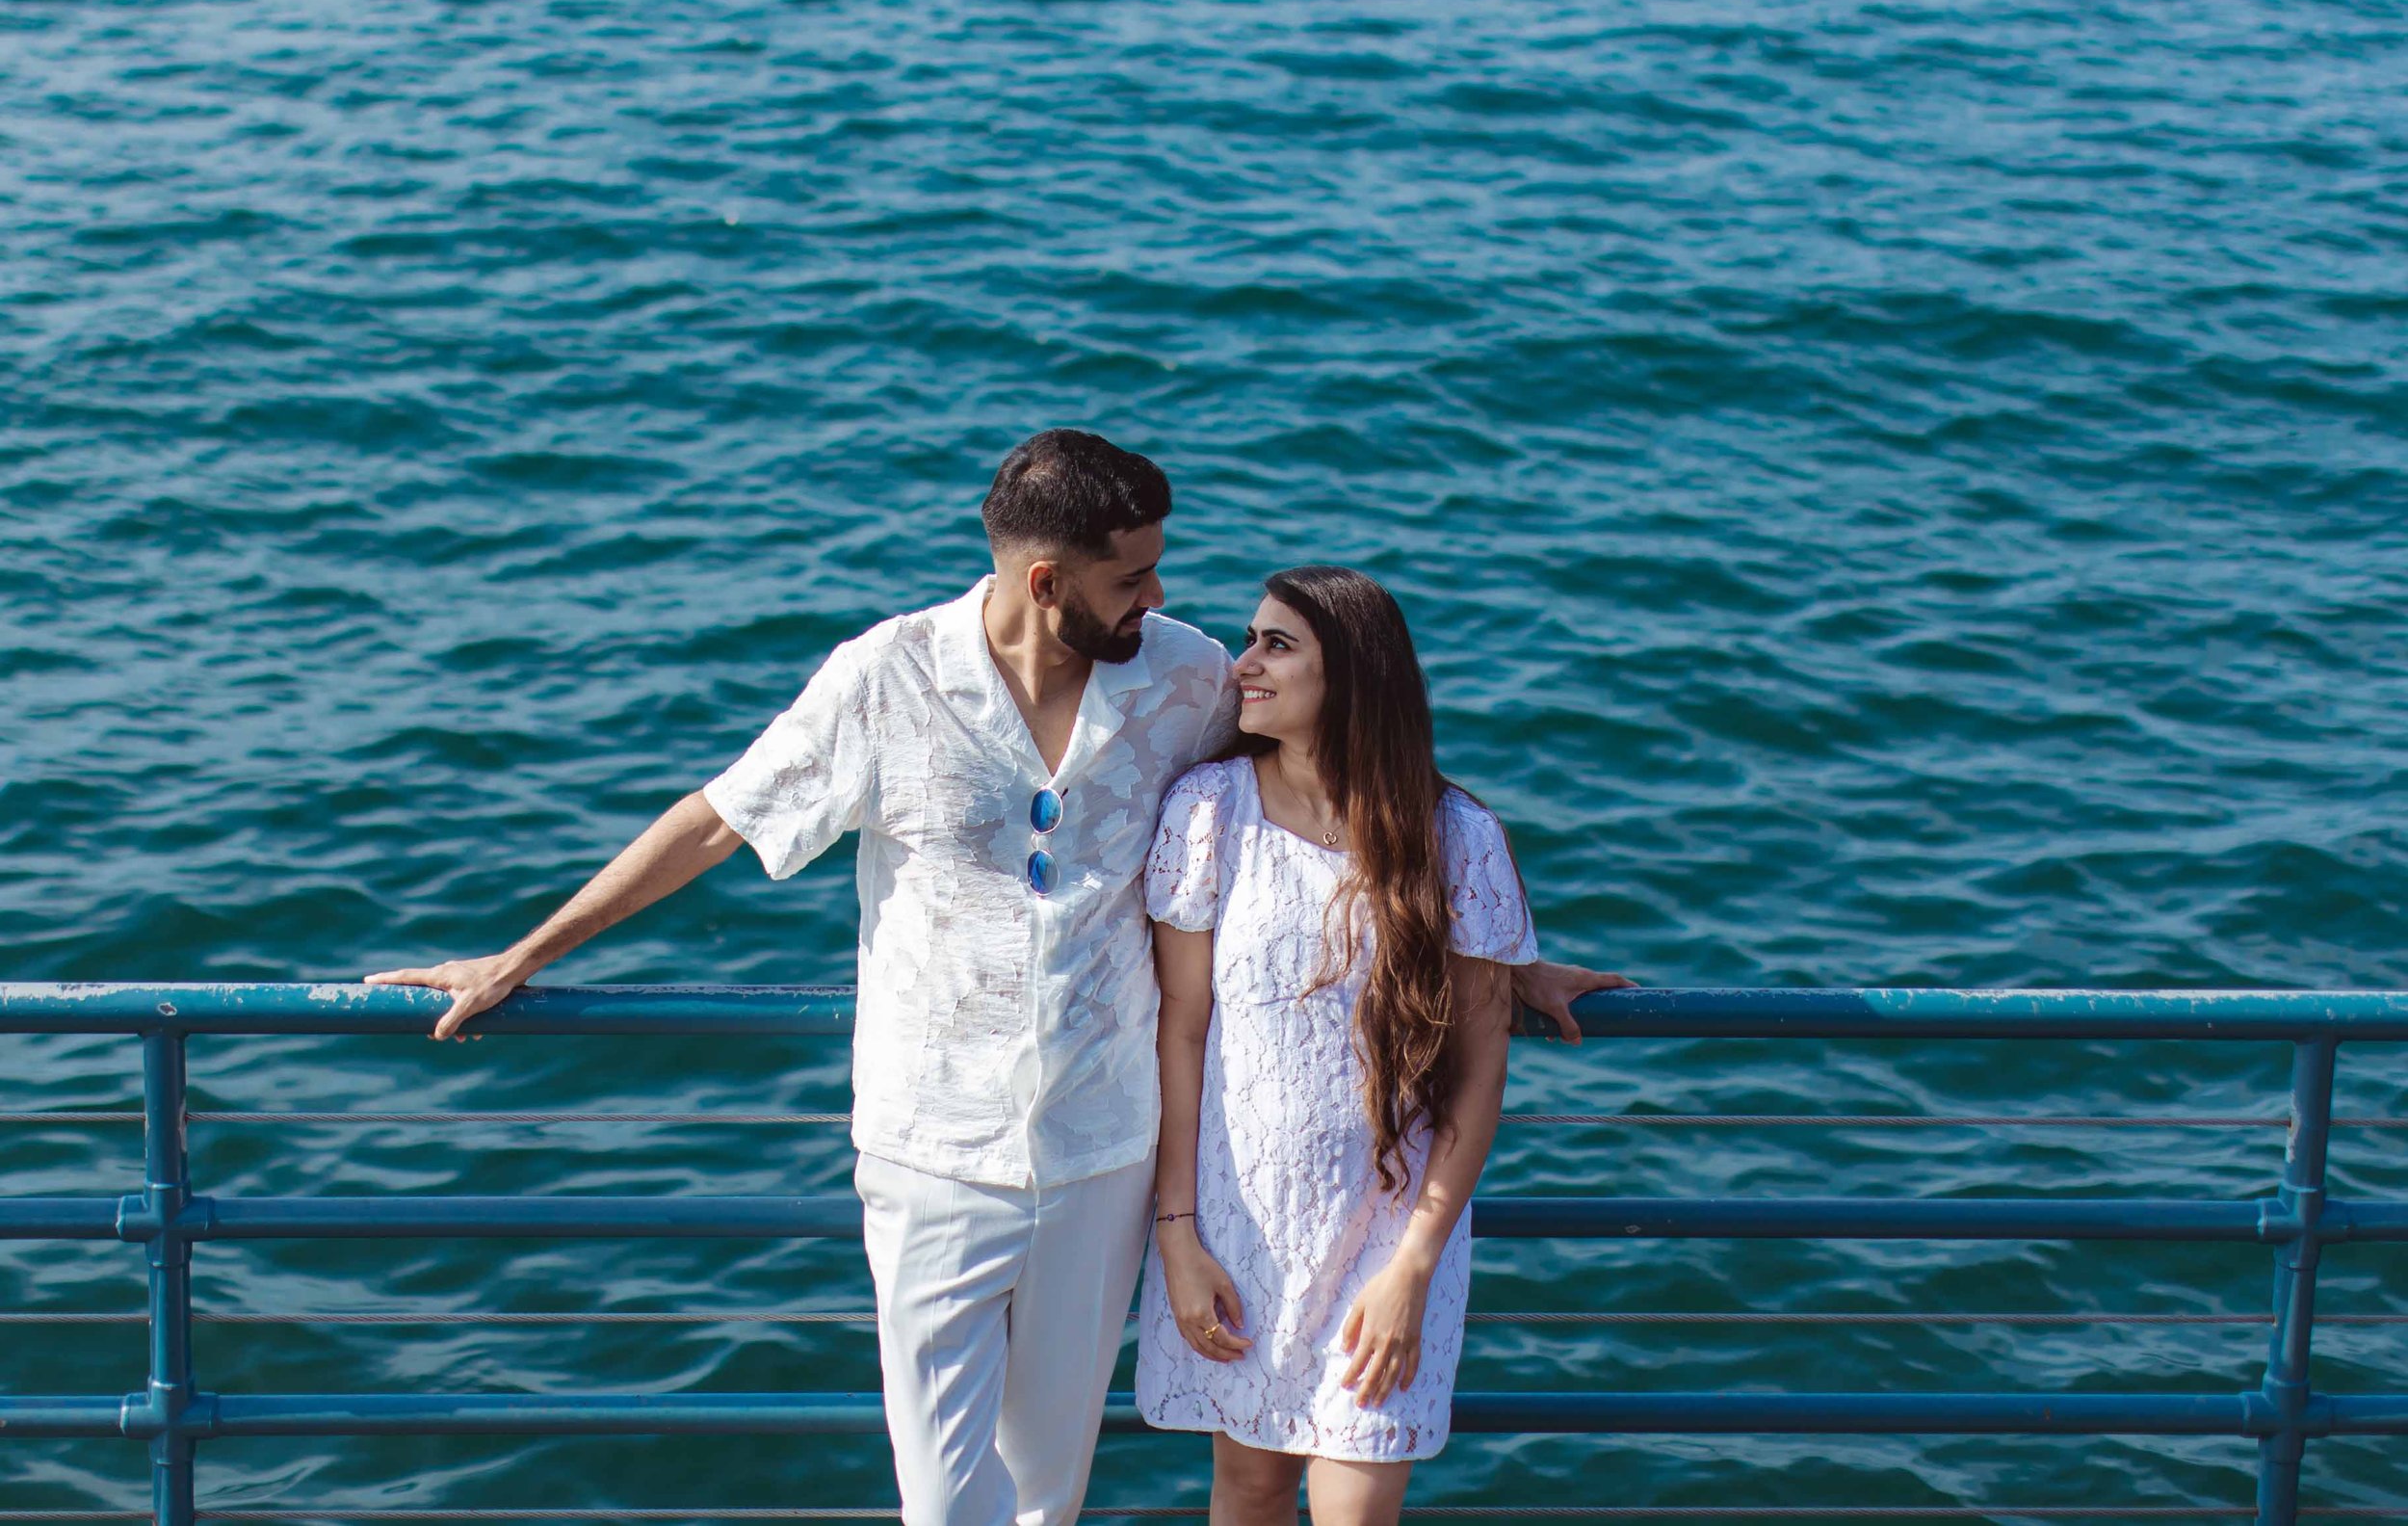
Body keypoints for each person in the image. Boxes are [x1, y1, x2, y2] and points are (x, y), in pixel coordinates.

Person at [366, 432, 1624, 1526]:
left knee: (1047, 1498)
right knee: (944, 1498)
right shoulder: (888, 682)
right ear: (1046, 579)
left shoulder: (1183, 677)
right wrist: (526, 954)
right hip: (928, 1149)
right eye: (1131, 573)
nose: (1160, 592)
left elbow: (1346, 794)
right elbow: (716, 821)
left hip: (1104, 1157)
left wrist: (1492, 957)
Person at [1139, 568, 1528, 1526]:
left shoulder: (1455, 839)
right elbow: (1178, 1031)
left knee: (1357, 1505)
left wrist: (1412, 1267)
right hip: (1238, 1223)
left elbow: (1478, 1075)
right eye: (1250, 637)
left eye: (1278, 644)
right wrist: (1178, 1236)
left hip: (1388, 1237)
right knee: (1252, 1486)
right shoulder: (1208, 811)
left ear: (1352, 674)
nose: (1244, 665)